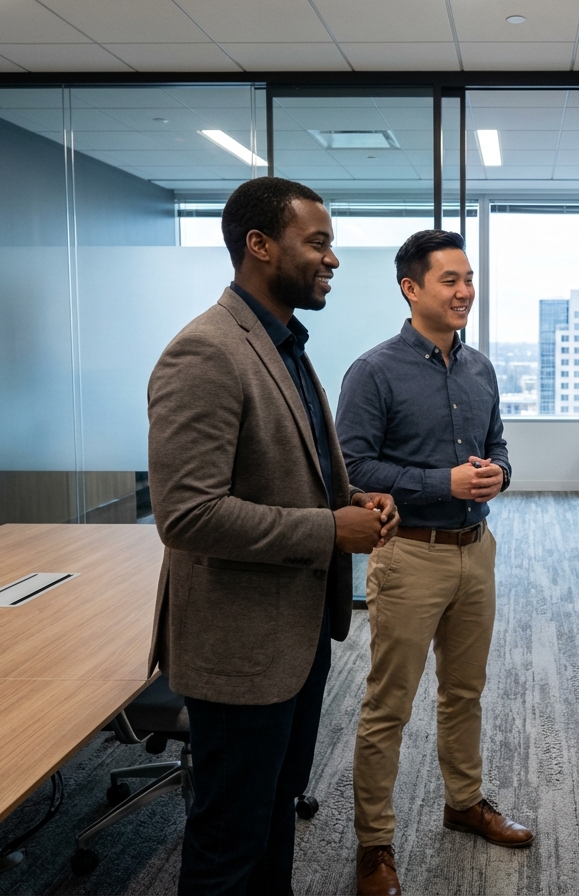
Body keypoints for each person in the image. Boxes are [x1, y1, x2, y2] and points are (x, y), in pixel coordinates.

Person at [147, 176, 399, 896]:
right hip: (239, 652)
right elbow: (188, 515)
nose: (333, 259)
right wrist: (329, 529)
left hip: (293, 639)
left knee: (273, 819)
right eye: (318, 242)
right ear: (260, 245)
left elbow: (295, 469)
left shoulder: (282, 342)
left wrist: (356, 500)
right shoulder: (205, 352)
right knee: (229, 842)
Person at [336, 230, 532, 896]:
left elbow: (500, 449)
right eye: (450, 279)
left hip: (476, 552)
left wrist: (494, 476)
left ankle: (464, 801)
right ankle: (374, 845)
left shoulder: (481, 368)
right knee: (389, 705)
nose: (464, 291)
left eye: (469, 278)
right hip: (409, 556)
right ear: (411, 288)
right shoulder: (373, 370)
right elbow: (353, 468)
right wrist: (440, 483)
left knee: (465, 694)